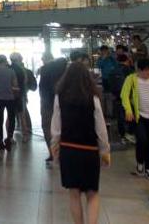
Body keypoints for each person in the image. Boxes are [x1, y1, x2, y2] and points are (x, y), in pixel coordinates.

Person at [51, 62, 110, 224]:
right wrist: (105, 151)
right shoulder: (93, 98)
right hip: (89, 150)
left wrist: (54, 147)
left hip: (68, 150)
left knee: (74, 193)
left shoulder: (59, 97)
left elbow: (56, 128)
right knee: (92, 193)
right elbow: (101, 129)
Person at [120, 58, 149, 181]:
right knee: (142, 140)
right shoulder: (131, 79)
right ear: (139, 70)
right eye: (146, 70)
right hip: (139, 116)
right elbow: (124, 95)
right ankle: (140, 163)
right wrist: (128, 110)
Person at [39, 57, 68, 164]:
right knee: (63, 127)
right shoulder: (65, 72)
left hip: (47, 104)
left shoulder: (45, 69)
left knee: (47, 128)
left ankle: (52, 153)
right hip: (62, 103)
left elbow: (41, 87)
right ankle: (62, 152)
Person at [0, 55, 18, 152]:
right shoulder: (11, 71)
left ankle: (1, 141)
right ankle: (9, 138)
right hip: (10, 98)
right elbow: (15, 84)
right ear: (5, 61)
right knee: (11, 118)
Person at [108, 54, 135, 144]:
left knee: (120, 117)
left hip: (117, 97)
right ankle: (130, 134)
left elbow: (109, 85)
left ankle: (122, 135)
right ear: (127, 60)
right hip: (128, 97)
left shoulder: (112, 71)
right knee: (130, 115)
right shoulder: (129, 70)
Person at [10, 52, 31, 143]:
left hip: (10, 95)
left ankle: (10, 137)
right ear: (18, 59)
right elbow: (25, 82)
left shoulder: (8, 68)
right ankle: (25, 136)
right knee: (22, 116)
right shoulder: (21, 70)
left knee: (10, 117)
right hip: (19, 95)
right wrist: (25, 95)